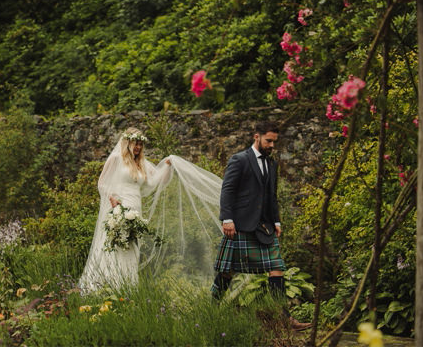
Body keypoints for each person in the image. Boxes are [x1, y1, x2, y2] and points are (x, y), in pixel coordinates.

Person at [79, 127, 223, 294]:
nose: (138, 148)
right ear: (127, 142)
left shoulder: (142, 164)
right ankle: (104, 287)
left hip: (135, 209)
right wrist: (112, 198)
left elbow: (157, 181)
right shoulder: (117, 159)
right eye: (135, 144)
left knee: (131, 248)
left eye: (140, 145)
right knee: (114, 246)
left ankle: (126, 289)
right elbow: (102, 183)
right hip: (117, 207)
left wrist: (168, 165)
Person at [212, 120, 286, 300]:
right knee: (227, 271)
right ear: (256, 137)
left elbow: (272, 195)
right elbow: (228, 190)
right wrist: (227, 219)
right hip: (241, 224)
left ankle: (282, 316)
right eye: (268, 141)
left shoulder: (271, 163)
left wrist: (276, 221)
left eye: (274, 141)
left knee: (277, 267)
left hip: (265, 225)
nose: (271, 145)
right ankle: (212, 307)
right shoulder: (240, 159)